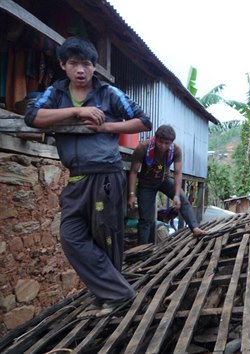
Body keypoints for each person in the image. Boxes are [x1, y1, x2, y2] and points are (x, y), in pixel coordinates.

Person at [24, 36, 151, 317]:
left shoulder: (109, 93)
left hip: (105, 175)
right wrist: (77, 111)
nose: (80, 70)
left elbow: (143, 121)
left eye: (85, 64)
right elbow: (31, 117)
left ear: (95, 67)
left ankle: (111, 296)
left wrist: (106, 127)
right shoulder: (55, 93)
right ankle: (116, 292)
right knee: (71, 235)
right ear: (62, 65)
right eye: (73, 64)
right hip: (76, 177)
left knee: (107, 237)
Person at [127, 124, 206, 243]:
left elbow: (178, 173)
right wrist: (132, 194)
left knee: (183, 199)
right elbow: (133, 172)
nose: (163, 146)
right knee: (145, 218)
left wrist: (176, 195)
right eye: (160, 142)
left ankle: (194, 228)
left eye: (167, 143)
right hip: (146, 184)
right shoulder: (143, 148)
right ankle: (142, 248)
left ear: (172, 142)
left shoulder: (176, 150)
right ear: (156, 138)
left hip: (164, 180)